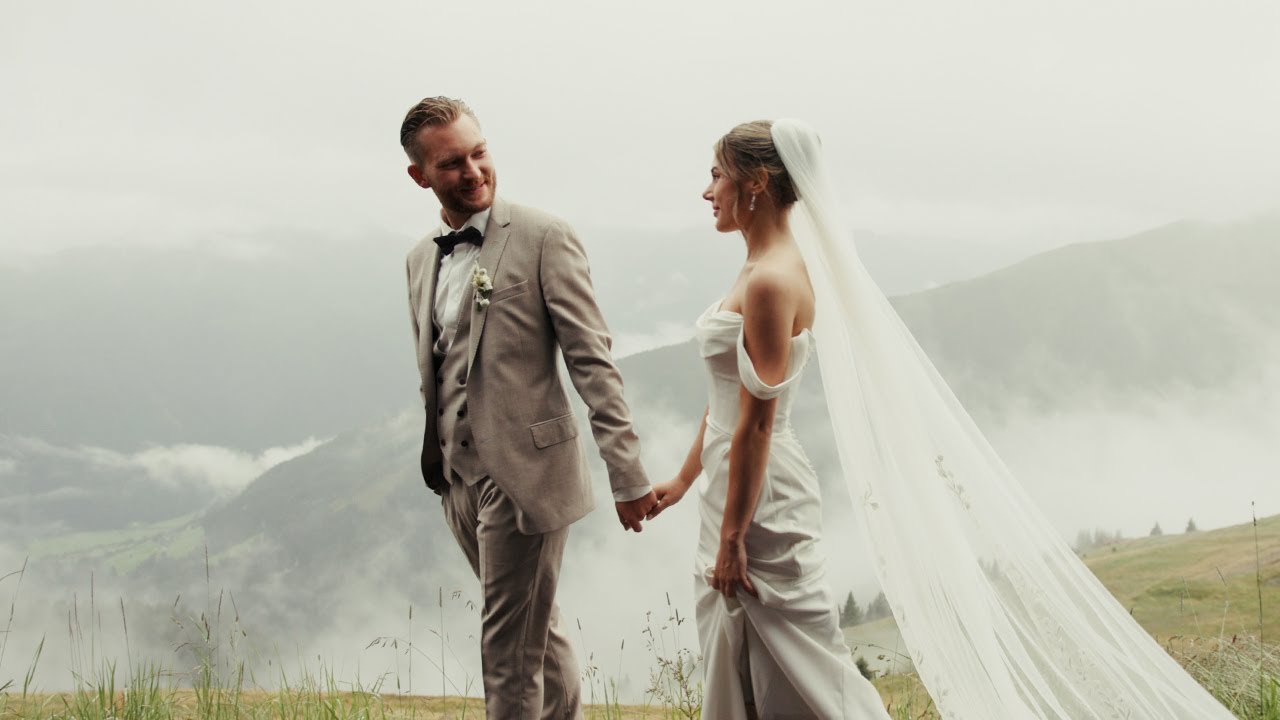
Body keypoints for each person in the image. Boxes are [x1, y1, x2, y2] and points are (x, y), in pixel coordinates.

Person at [648, 119, 1236, 719]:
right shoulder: (757, 266)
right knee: (740, 645)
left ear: (757, 181)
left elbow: (760, 424)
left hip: (758, 496)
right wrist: (684, 479)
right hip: (732, 481)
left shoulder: (771, 280)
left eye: (717, 174)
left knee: (800, 663)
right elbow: (730, 399)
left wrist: (734, 537)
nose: (707, 190)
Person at [400, 96, 657, 719]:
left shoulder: (544, 237)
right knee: (536, 638)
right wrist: (446, 471)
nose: (474, 170)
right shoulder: (419, 259)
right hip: (457, 483)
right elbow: (439, 368)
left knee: (507, 652)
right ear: (420, 176)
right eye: (452, 162)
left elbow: (591, 360)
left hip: (525, 479)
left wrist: (628, 475)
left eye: (480, 152)